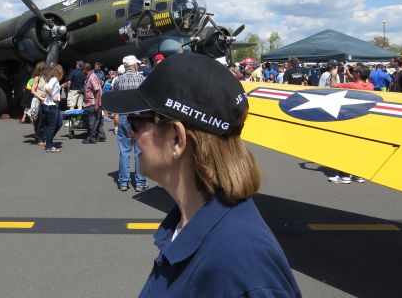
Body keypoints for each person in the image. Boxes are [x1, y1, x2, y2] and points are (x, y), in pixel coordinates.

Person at [102, 54, 300, 297]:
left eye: (136, 123)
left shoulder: (242, 267)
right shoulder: (187, 221)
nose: (131, 135)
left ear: (177, 138)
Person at [113, 55, 147, 192]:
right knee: (139, 152)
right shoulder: (142, 79)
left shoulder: (118, 80)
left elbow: (114, 97)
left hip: (123, 116)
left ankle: (123, 182)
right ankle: (140, 182)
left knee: (124, 151)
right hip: (139, 117)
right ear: (134, 65)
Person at [41, 64, 64, 153]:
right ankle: (49, 145)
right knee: (52, 126)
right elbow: (47, 89)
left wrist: (61, 86)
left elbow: (51, 88)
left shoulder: (53, 79)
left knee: (59, 123)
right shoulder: (54, 79)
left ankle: (48, 140)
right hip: (51, 106)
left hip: (53, 105)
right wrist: (53, 97)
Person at [82, 62, 106, 144]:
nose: (82, 71)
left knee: (92, 122)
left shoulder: (92, 77)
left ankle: (91, 138)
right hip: (91, 102)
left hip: (93, 103)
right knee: (96, 121)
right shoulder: (90, 77)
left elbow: (98, 91)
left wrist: (96, 104)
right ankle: (99, 136)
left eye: (83, 69)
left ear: (85, 69)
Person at [30, 62, 47, 146]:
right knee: (38, 121)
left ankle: (43, 138)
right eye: (44, 69)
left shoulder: (45, 78)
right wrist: (41, 98)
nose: (46, 70)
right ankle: (38, 139)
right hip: (38, 101)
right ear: (41, 69)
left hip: (45, 101)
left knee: (44, 120)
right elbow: (32, 90)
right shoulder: (37, 78)